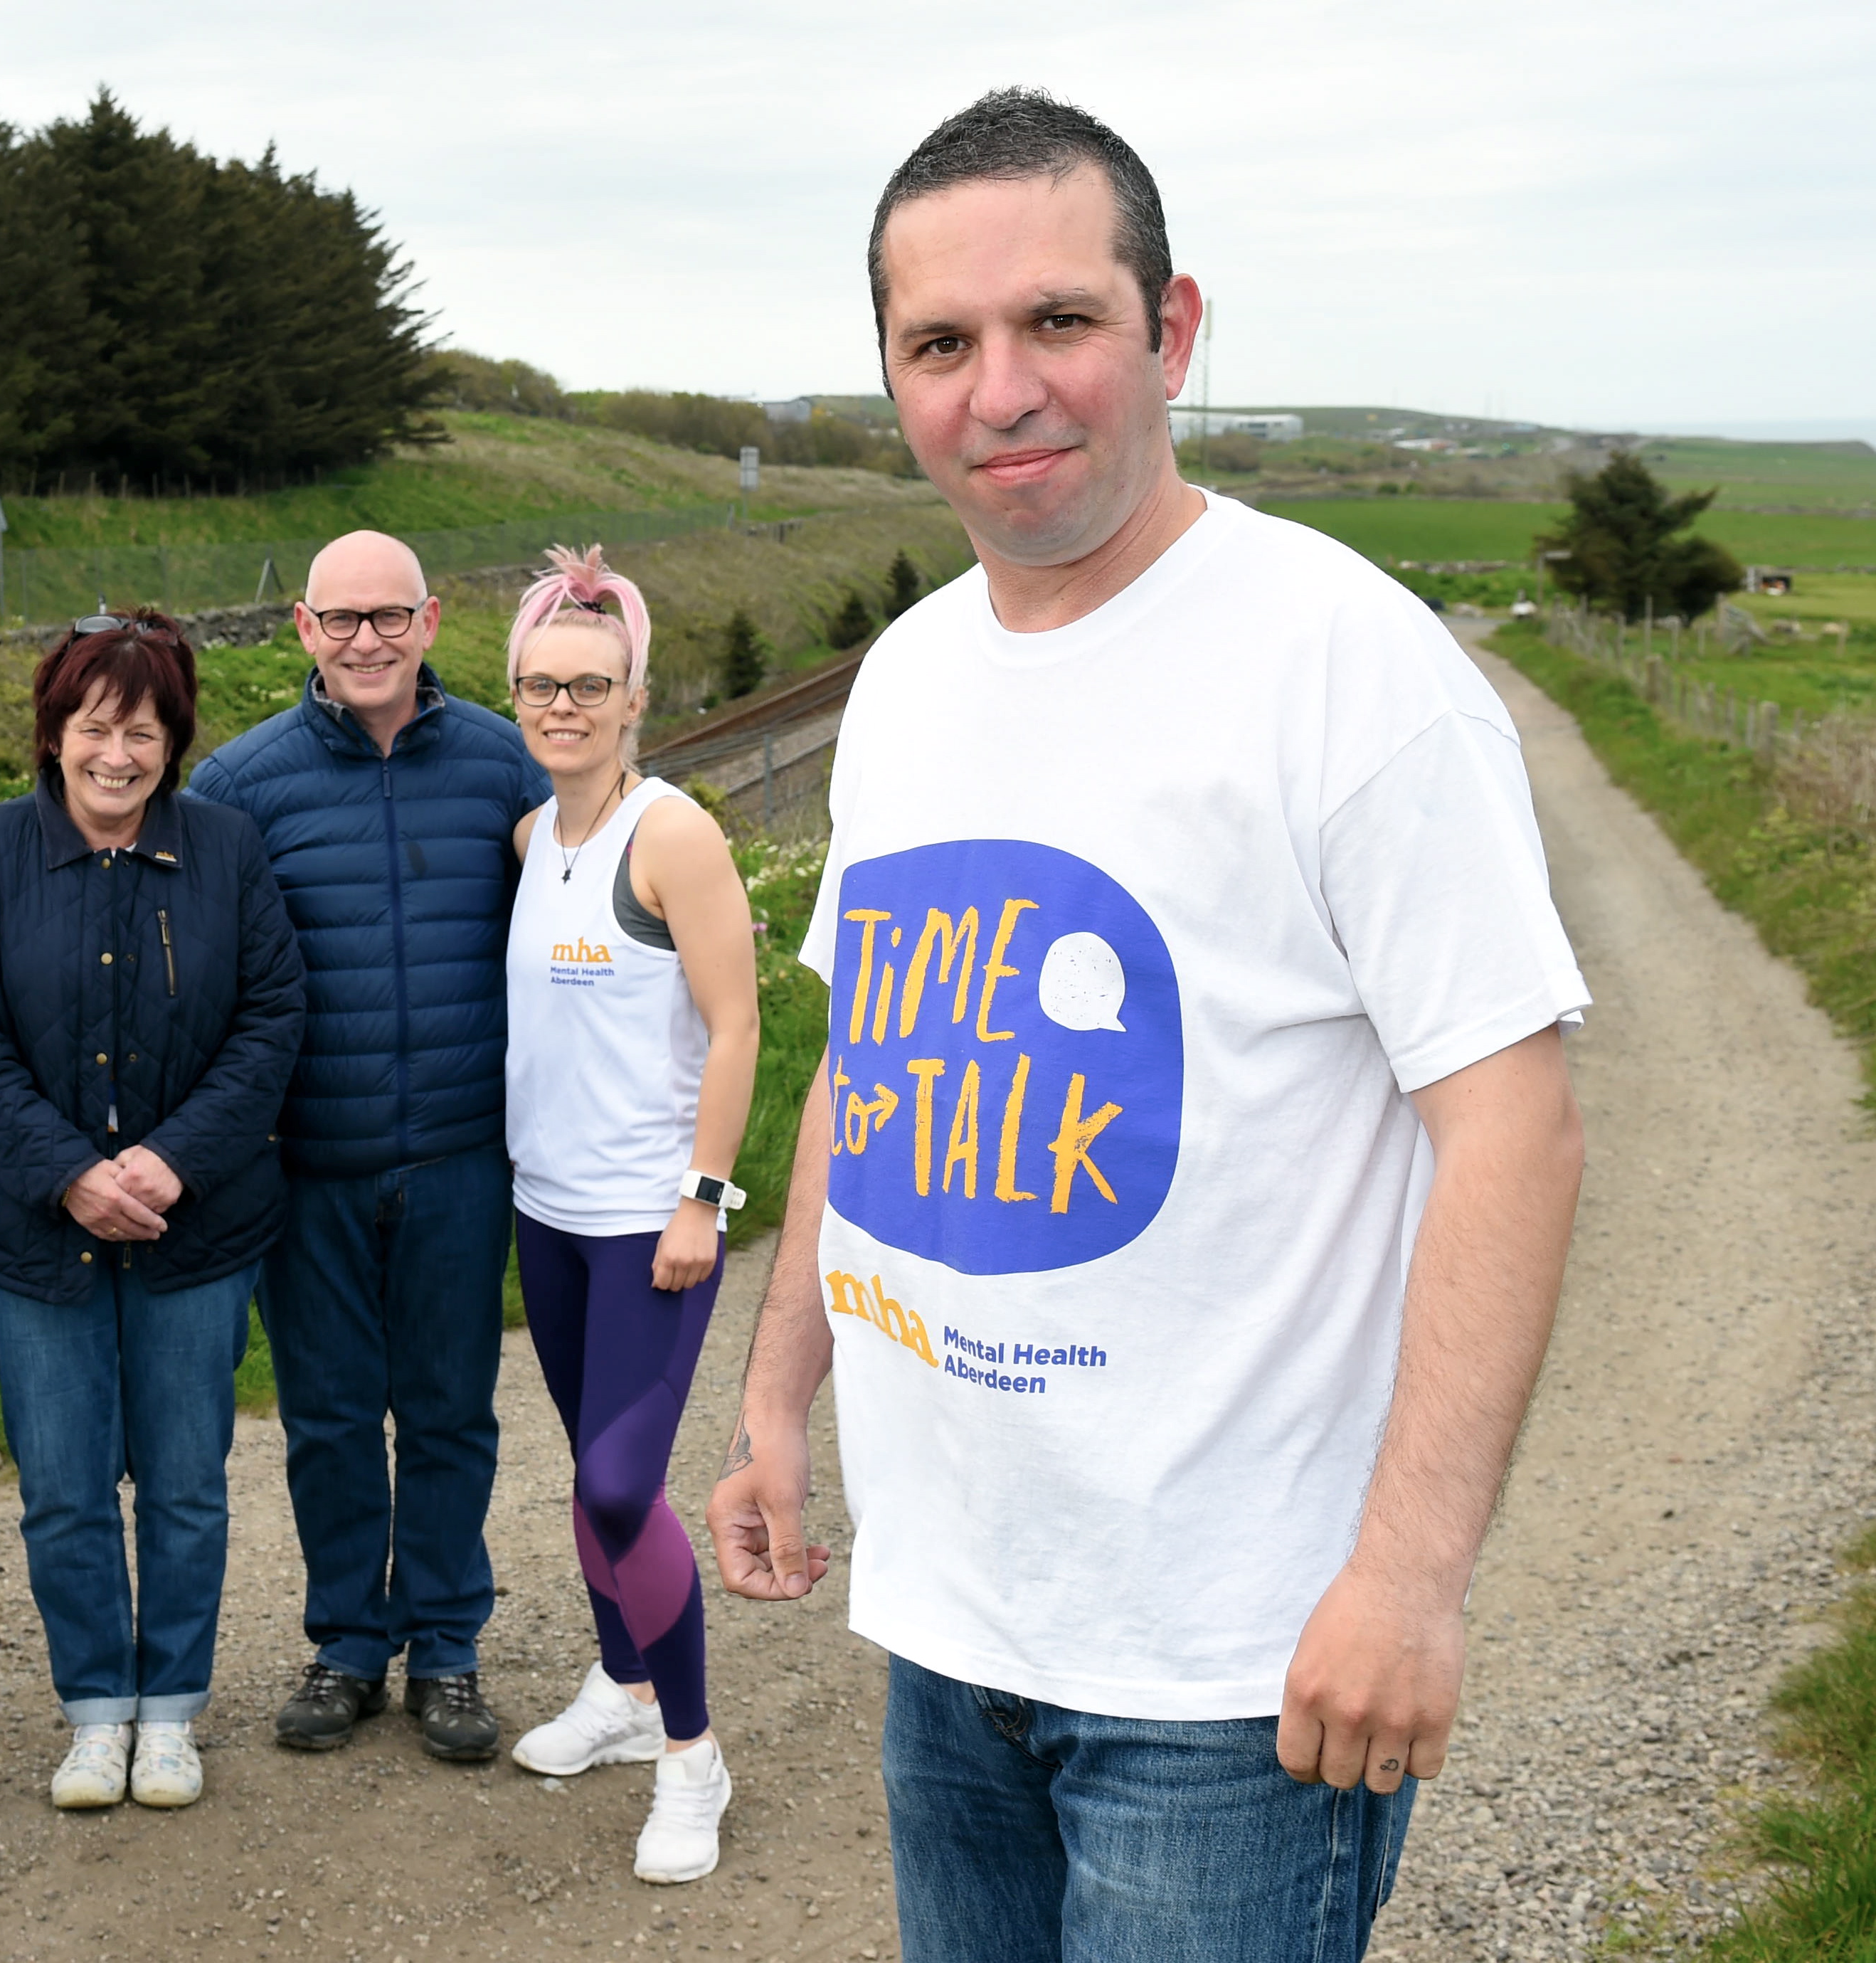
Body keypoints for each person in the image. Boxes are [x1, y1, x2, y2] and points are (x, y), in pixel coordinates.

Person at [702, 90, 1589, 1961]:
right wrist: (781, 1400)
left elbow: (1514, 1125)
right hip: (952, 1627)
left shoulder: (1346, 669)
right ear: (892, 377)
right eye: (942, 343)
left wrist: (1412, 1583)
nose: (1000, 388)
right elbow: (876, 1073)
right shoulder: (916, 678)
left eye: (1060, 324)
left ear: (1172, 330)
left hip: (1232, 1670)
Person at [189, 531, 550, 1761]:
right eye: (340, 620)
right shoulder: (241, 784)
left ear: (432, 619)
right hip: (308, 1159)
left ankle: (447, 1644)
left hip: (460, 1152)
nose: (365, 642)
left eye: (388, 617)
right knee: (332, 1416)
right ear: (302, 628)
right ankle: (348, 1640)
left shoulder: (509, 765)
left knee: (449, 1409)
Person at [0, 612, 306, 1811]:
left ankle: (174, 1713)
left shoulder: (226, 849)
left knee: (188, 1479)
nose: (117, 754)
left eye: (141, 731)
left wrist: (167, 1163)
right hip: (36, 1234)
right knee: (64, 1483)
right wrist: (71, 1175)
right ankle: (98, 1712)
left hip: (195, 1231)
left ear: (173, 741)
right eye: (94, 727)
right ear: (54, 734)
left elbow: (270, 1022)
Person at [497, 548, 759, 1884]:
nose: (563, 707)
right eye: (542, 685)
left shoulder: (674, 833)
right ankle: (622, 1689)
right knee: (594, 1486)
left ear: (634, 694)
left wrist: (703, 1200)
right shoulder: (537, 836)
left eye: (589, 685)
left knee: (619, 1484)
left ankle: (692, 1756)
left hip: (650, 1225)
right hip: (545, 1212)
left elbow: (735, 1025)